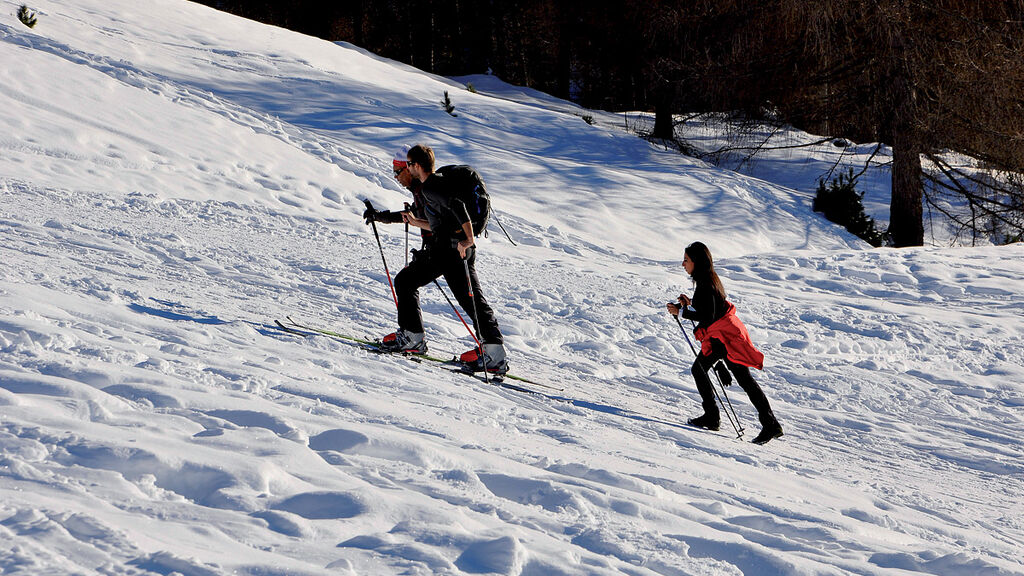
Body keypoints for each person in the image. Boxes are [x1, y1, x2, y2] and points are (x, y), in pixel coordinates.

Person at [365, 144, 509, 375]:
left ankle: (491, 353)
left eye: (398, 171)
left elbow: (457, 208)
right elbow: (422, 219)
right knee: (416, 284)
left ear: (412, 167)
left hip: (452, 250)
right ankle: (415, 338)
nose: (396, 177)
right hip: (445, 250)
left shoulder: (430, 187)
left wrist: (468, 240)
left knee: (466, 298)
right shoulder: (424, 190)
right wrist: (381, 217)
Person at [667, 242, 783, 445]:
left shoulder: (705, 284)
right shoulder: (707, 280)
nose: (683, 264)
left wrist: (682, 312)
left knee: (736, 378)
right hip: (724, 336)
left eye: (686, 260)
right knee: (724, 376)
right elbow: (709, 309)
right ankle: (759, 422)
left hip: (726, 339)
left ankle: (763, 423)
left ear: (696, 262)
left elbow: (708, 315)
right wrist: (689, 304)